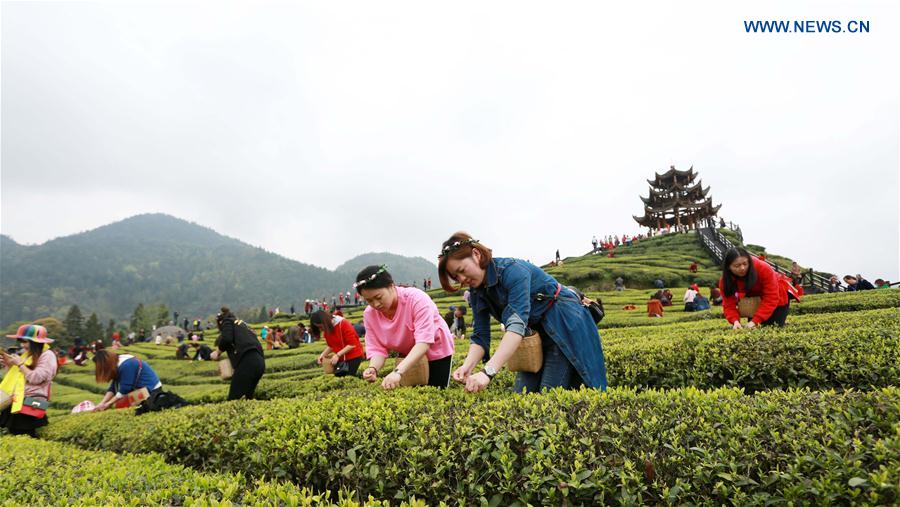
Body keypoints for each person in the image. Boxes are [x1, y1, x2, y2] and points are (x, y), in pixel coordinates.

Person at [438, 232, 607, 394]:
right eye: (456, 277)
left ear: (476, 254)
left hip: (564, 322)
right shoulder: (476, 291)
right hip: (535, 333)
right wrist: (467, 366)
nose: (461, 279)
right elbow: (480, 334)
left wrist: (487, 372)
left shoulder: (512, 271)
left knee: (549, 394)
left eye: (462, 270)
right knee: (523, 394)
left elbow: (517, 324)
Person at [354, 265, 455, 389]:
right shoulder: (369, 314)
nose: (375, 304)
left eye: (378, 297)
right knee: (414, 396)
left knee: (437, 392)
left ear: (391, 286)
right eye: (369, 301)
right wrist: (373, 368)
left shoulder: (416, 299)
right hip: (408, 357)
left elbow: (423, 342)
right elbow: (377, 348)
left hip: (436, 351)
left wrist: (398, 371)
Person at [0, 325, 59, 437]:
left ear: (36, 342)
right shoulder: (28, 355)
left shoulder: (47, 355)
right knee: (14, 436)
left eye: (25, 341)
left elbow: (36, 378)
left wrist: (19, 364)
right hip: (17, 401)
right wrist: (9, 364)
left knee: (25, 435)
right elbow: (18, 378)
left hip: (30, 403)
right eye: (20, 341)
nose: (22, 345)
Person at [720, 248, 797, 329]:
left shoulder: (763, 268)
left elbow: (771, 297)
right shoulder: (725, 280)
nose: (742, 268)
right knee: (753, 329)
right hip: (755, 299)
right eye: (737, 266)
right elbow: (728, 304)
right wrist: (735, 321)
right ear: (728, 267)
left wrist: (755, 321)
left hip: (778, 295)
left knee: (774, 327)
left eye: (745, 264)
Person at [211, 307, 266, 400]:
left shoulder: (227, 321)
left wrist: (217, 352)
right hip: (259, 363)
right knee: (247, 397)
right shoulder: (243, 326)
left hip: (248, 362)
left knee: (234, 399)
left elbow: (227, 339)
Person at [91, 349, 162, 412]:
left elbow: (124, 390)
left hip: (152, 390)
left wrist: (108, 404)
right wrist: (102, 403)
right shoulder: (116, 363)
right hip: (142, 390)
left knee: (119, 406)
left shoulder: (127, 365)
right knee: (117, 404)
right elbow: (113, 388)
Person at [312, 310, 365, 377]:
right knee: (340, 378)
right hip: (342, 359)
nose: (320, 329)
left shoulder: (343, 323)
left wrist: (337, 355)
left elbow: (352, 344)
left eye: (320, 327)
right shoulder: (327, 328)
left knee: (348, 379)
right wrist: (322, 355)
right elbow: (331, 345)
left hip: (354, 356)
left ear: (325, 322)